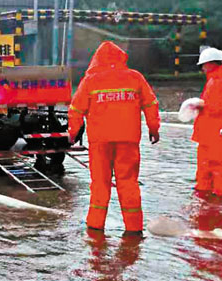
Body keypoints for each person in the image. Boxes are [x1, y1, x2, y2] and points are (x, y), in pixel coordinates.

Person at [68, 41, 160, 235]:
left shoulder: (91, 80)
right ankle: (134, 228)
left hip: (100, 141)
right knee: (128, 183)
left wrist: (72, 133)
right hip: (128, 140)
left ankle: (95, 227)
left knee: (100, 184)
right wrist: (154, 128)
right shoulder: (135, 78)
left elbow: (76, 109)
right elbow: (151, 104)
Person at [192, 47, 222, 197]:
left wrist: (202, 106)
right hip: (208, 130)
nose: (203, 69)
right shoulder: (215, 79)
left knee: (219, 162)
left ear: (212, 63)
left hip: (218, 130)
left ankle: (221, 192)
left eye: (204, 65)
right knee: (205, 162)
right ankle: (204, 189)